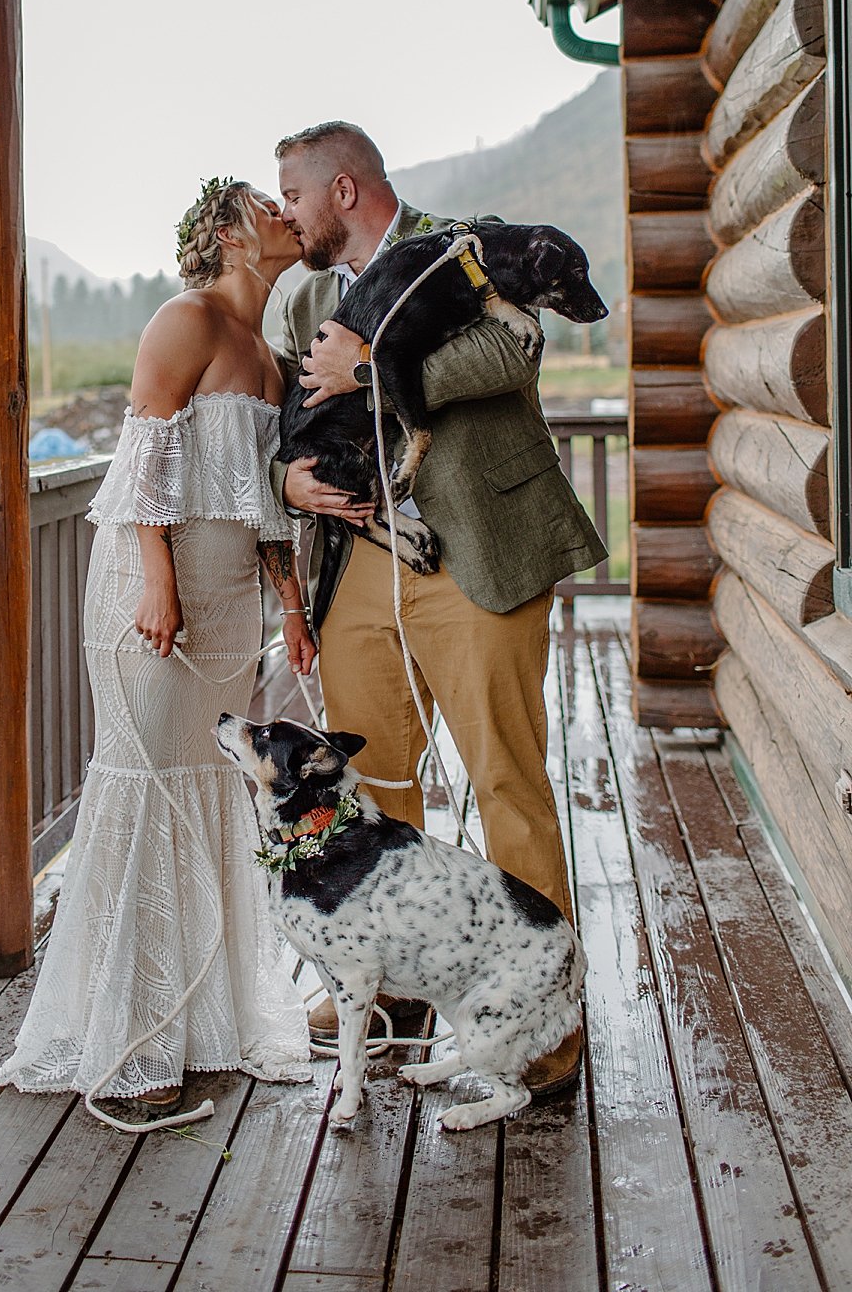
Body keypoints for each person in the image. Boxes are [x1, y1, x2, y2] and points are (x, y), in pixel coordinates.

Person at [273, 122, 605, 1095]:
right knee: (369, 792)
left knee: (507, 783)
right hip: (358, 567)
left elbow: (514, 351)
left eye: (291, 197)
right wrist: (287, 484)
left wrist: (375, 368)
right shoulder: (307, 299)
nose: (286, 217)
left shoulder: (468, 245)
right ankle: (389, 986)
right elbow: (289, 418)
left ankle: (543, 1023)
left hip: (478, 554)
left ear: (342, 191)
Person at [0, 177, 314, 1120]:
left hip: (232, 602)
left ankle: (204, 1018)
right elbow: (143, 463)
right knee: (150, 780)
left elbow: (264, 506)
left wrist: (288, 604)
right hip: (155, 591)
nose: (284, 212)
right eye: (263, 202)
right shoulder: (188, 320)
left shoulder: (270, 354)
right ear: (224, 231)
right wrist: (157, 584)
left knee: (211, 785)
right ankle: (131, 1035)